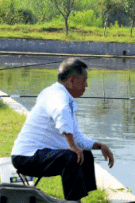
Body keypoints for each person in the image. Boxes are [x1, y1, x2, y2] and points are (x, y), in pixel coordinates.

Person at [11, 58, 114, 203]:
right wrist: (71, 145)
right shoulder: (57, 95)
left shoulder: (63, 97)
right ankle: (73, 201)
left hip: (41, 153)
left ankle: (81, 198)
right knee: (71, 157)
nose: (86, 85)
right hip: (26, 157)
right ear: (72, 80)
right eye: (84, 81)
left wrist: (99, 145)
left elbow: (76, 137)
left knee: (85, 154)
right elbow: (61, 111)